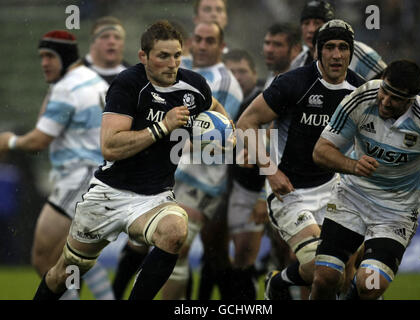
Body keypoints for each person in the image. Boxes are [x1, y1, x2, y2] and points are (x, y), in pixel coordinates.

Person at [32, 20, 228, 300]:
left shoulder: (194, 86)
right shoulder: (127, 84)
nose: (172, 63)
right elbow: (110, 147)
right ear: (143, 56)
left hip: (154, 197)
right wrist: (164, 126)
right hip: (109, 194)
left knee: (175, 231)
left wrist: (226, 133)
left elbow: (215, 110)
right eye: (162, 56)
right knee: (66, 271)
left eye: (176, 55)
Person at [236, 19, 365, 300]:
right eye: (329, 47)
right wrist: (270, 171)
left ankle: (281, 281)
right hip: (289, 191)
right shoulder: (293, 83)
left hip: (334, 190)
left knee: (339, 278)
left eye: (343, 47)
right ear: (317, 51)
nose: (336, 54)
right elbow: (246, 123)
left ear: (351, 52)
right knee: (324, 270)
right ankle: (280, 283)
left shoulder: (359, 91)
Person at [311, 59, 420, 300]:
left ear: (410, 100)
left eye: (394, 98)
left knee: (370, 285)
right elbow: (321, 151)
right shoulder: (362, 98)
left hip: (396, 211)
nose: (384, 100)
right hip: (352, 198)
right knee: (325, 277)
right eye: (384, 90)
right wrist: (352, 165)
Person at [0, 30, 113, 300]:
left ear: (64, 56)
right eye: (41, 57)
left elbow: (38, 140)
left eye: (49, 56)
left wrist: (9, 142)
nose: (44, 63)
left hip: (80, 179)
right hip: (97, 176)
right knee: (73, 256)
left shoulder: (66, 88)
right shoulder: (92, 80)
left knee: (42, 258)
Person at [161, 21, 243, 300]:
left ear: (222, 46)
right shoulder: (178, 70)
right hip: (170, 176)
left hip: (205, 182)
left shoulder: (228, 84)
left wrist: (170, 138)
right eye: (198, 39)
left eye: (210, 40)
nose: (203, 45)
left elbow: (222, 139)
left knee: (178, 247)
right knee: (165, 249)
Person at [223, 49, 267, 299]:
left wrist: (263, 195)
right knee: (230, 258)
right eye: (231, 72)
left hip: (266, 188)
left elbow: (275, 144)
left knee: (289, 255)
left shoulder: (265, 100)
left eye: (242, 71)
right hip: (234, 188)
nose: (237, 77)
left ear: (254, 73)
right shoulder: (221, 101)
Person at [298, 0, 387, 80]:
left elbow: (388, 82)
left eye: (317, 23)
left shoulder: (358, 51)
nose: (311, 29)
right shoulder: (299, 61)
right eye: (306, 23)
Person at [82, 16, 130, 85]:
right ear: (93, 43)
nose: (112, 42)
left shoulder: (135, 78)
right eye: (105, 36)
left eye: (117, 37)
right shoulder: (74, 73)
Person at [263, 22, 304, 88]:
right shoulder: (274, 72)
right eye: (267, 43)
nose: (269, 50)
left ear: (296, 49)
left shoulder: (304, 79)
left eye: (277, 44)